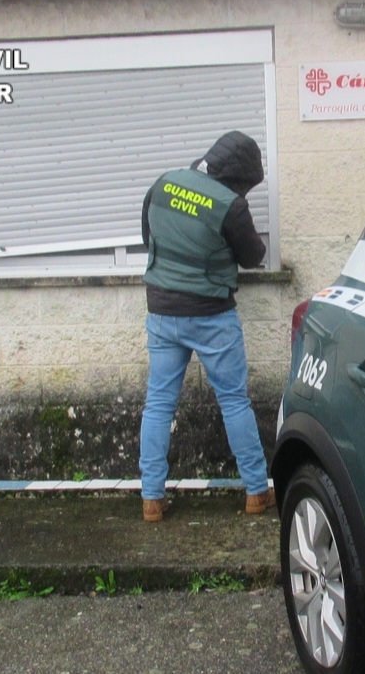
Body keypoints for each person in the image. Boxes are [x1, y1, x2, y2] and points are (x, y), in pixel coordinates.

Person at [138, 130, 274, 523]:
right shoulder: (229, 206)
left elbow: (148, 237)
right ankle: (255, 491)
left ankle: (152, 499)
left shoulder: (164, 183)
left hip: (162, 312)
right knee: (233, 400)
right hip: (212, 315)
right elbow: (252, 257)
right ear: (239, 177)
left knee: (159, 403)